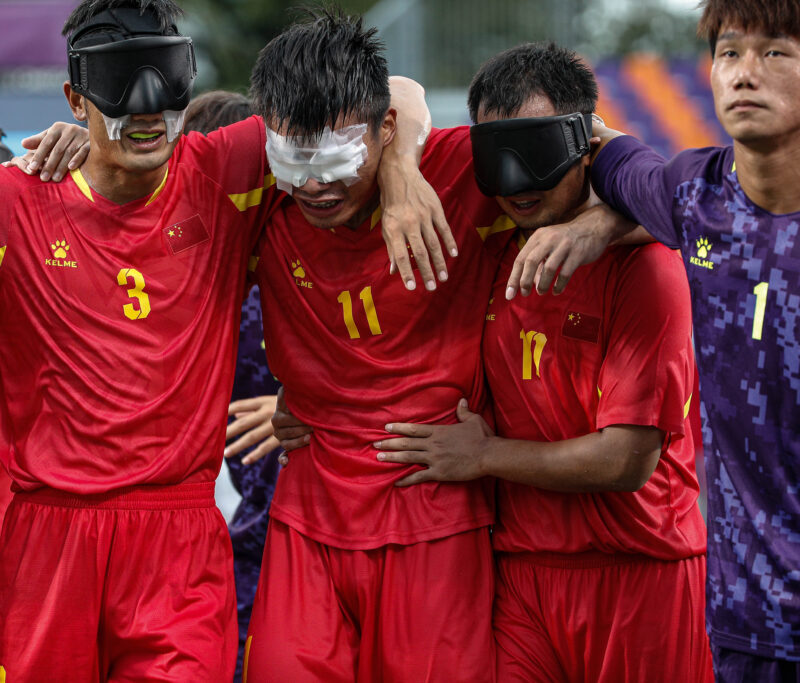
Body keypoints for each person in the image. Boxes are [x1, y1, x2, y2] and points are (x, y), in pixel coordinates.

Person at [0, 2, 441, 680]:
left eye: (163, 91)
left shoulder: (228, 172)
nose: (148, 113)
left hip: (178, 544)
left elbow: (396, 94)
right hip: (49, 543)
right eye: (122, 94)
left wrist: (403, 170)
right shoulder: (5, 205)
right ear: (76, 97)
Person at [375, 43, 712, 681]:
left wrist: (483, 456)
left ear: (585, 143)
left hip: (640, 575)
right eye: (496, 156)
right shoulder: (491, 246)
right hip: (523, 578)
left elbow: (625, 460)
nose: (515, 183)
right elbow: (394, 92)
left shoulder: (647, 270)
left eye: (534, 153)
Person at [502, 2, 800, 678]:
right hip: (744, 625)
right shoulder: (697, 197)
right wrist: (601, 225)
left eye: (776, 52)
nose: (746, 73)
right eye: (729, 52)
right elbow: (602, 145)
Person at [241, 12, 518, 681]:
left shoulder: (455, 172)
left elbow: (619, 172)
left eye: (336, 161)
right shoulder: (255, 187)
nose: (312, 186)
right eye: (293, 162)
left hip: (432, 509)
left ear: (384, 129)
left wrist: (404, 166)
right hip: (308, 510)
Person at [182, 89, 282, 683]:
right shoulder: (186, 271)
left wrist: (299, 408)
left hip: (280, 538)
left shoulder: (289, 258)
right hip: (212, 547)